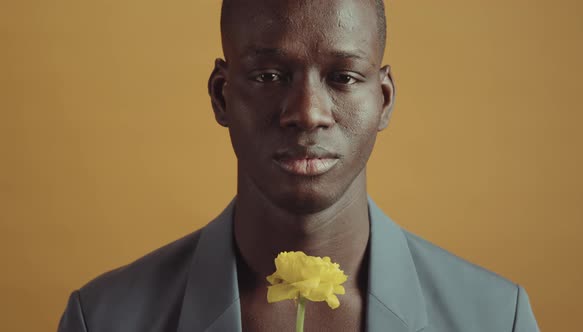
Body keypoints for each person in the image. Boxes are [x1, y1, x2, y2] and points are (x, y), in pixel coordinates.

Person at [58, 0, 540, 331]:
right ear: (221, 95)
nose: (307, 111)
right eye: (270, 75)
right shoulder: (103, 318)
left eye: (343, 77)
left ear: (384, 99)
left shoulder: (498, 318)